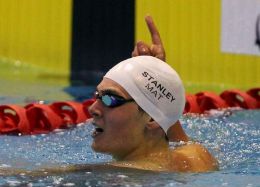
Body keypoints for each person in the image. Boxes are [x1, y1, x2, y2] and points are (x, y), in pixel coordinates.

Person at [0, 16, 218, 176]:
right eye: (96, 95)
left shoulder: (118, 176)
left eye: (110, 99)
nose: (93, 108)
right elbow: (167, 117)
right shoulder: (197, 157)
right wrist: (157, 76)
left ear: (151, 118)